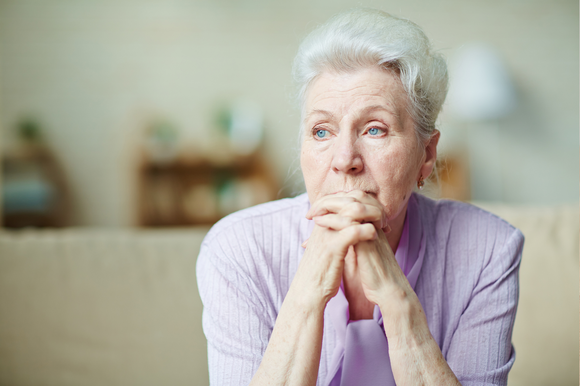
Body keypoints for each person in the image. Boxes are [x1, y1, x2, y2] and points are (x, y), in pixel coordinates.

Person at [197, 8, 523, 386]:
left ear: (427, 155)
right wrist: (308, 290)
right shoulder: (237, 249)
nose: (343, 160)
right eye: (322, 132)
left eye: (374, 129)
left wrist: (397, 301)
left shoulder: (489, 250)